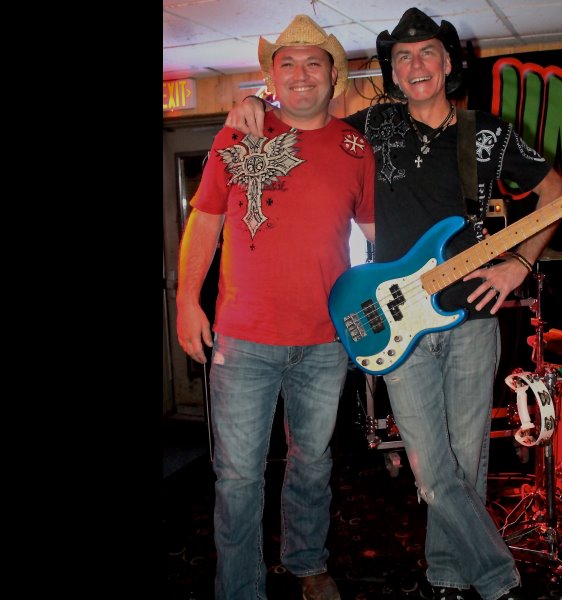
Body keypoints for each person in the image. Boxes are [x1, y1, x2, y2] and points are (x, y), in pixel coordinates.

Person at [226, 8, 562, 600]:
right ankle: (500, 580)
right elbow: (307, 113)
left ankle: (447, 577)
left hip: (471, 317)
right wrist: (255, 102)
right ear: (393, 69)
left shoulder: (485, 133)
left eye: (427, 52)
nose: (416, 64)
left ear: (448, 62)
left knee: (466, 462)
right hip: (398, 320)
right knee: (432, 470)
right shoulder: (372, 126)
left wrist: (519, 262)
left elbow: (555, 191)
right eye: (403, 56)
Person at [176, 14, 376, 600]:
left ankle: (307, 562)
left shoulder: (356, 148)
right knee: (238, 476)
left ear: (334, 77)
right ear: (271, 77)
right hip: (243, 340)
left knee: (312, 463)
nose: (301, 73)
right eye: (287, 63)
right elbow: (205, 221)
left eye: (314, 62)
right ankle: (241, 589)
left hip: (325, 340)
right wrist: (187, 299)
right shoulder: (238, 136)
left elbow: (376, 241)